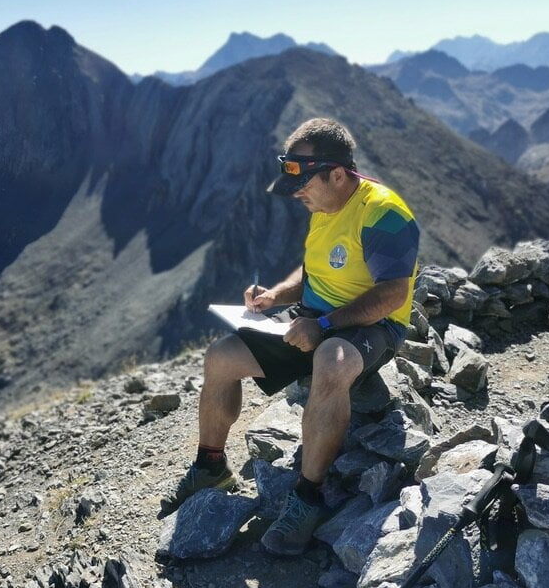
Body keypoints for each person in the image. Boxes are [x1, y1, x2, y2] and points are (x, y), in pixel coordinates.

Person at [159, 117, 421, 555]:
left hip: (373, 327)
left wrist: (322, 327)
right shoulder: (324, 206)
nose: (297, 195)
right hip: (312, 320)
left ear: (337, 174)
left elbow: (393, 292)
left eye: (304, 186)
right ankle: (210, 465)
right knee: (220, 357)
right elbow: (315, 270)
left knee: (332, 360)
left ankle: (308, 496)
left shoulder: (384, 213)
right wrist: (275, 296)